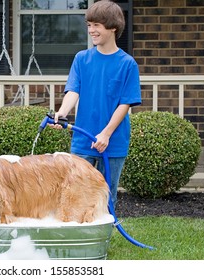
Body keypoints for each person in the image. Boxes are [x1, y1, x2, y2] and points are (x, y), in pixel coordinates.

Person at [50, 0, 141, 208]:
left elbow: (125, 104)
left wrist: (106, 134)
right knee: (77, 195)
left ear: (113, 28)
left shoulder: (127, 64)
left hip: (113, 142)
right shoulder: (82, 59)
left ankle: (103, 238)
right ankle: (81, 237)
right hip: (83, 140)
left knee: (106, 196)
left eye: (96, 25)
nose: (91, 30)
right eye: (89, 25)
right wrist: (62, 113)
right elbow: (73, 91)